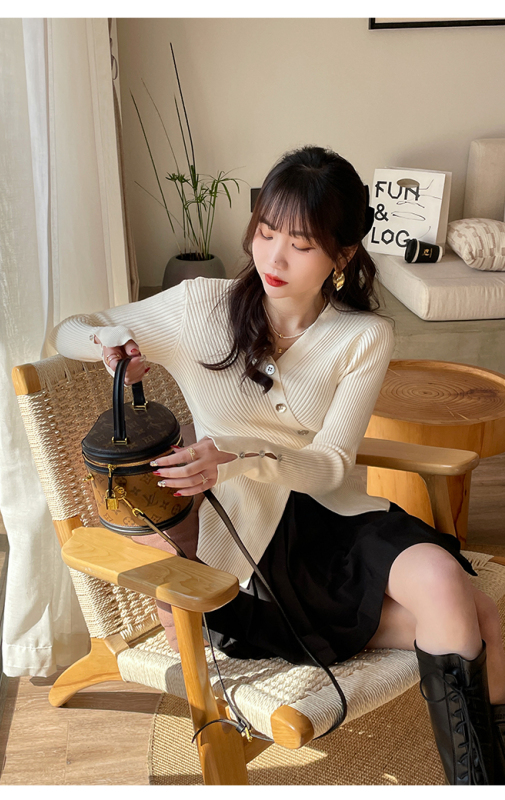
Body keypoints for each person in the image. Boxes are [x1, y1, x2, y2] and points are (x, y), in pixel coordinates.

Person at [49, 145, 505, 785]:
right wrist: (107, 340)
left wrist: (242, 455)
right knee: (480, 618)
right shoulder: (199, 308)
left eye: (301, 244)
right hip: (249, 547)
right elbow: (69, 329)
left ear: (342, 256)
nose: (274, 258)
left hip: (333, 513)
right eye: (265, 233)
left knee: (442, 582)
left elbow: (330, 466)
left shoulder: (362, 335)